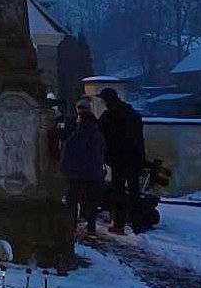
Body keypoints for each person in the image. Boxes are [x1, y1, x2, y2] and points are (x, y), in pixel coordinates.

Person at [97, 87, 146, 235]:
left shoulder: (108, 116)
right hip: (134, 157)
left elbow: (100, 136)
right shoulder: (132, 114)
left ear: (106, 100)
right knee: (134, 191)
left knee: (118, 192)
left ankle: (119, 223)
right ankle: (137, 223)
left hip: (118, 159)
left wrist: (105, 156)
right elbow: (140, 139)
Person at [60, 97, 106, 234]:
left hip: (75, 174)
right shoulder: (98, 136)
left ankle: (71, 225)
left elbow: (67, 153)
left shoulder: (75, 136)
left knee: (72, 201)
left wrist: (63, 170)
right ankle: (91, 226)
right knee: (91, 202)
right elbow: (102, 152)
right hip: (93, 174)